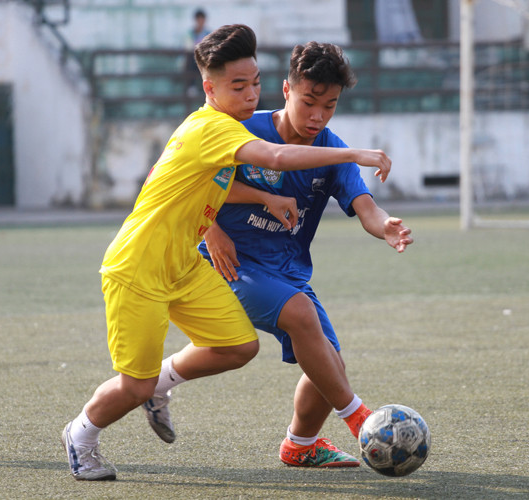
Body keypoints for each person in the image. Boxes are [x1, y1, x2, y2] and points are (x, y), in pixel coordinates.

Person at [61, 25, 393, 481]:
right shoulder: (213, 127)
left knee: (239, 347)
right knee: (134, 385)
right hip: (139, 268)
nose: (251, 94)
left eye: (255, 82)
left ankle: (173, 389)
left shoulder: (227, 127)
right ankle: (80, 436)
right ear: (209, 88)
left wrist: (264, 198)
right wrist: (354, 154)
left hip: (183, 265)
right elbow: (277, 158)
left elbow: (205, 183)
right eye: (238, 86)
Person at [145, 41, 413, 468]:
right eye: (309, 102)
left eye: (329, 106)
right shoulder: (242, 127)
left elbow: (366, 207)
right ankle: (360, 419)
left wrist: (386, 226)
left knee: (330, 366)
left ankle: (300, 444)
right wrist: (212, 229)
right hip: (228, 262)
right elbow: (185, 179)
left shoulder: (330, 151)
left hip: (286, 271)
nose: (318, 116)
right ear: (287, 90)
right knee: (301, 316)